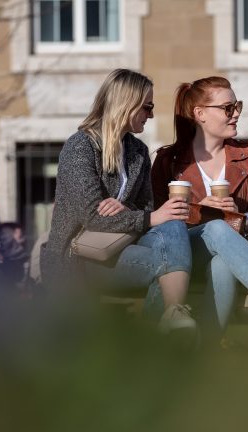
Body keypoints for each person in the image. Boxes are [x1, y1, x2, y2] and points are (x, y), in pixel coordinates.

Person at [150, 76, 248, 344]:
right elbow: (159, 223)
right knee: (214, 226)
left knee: (222, 263)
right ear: (200, 114)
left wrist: (240, 219)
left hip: (232, 255)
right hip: (182, 255)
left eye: (237, 106)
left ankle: (204, 348)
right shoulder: (169, 160)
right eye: (227, 108)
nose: (235, 114)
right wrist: (199, 211)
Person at [40, 68, 195, 333]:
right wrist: (150, 218)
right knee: (169, 267)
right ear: (126, 104)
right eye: (147, 107)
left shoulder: (138, 151)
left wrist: (127, 208)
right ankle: (162, 337)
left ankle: (166, 326)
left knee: (174, 226)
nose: (151, 115)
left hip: (122, 246)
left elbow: (145, 205)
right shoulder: (80, 147)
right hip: (79, 257)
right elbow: (92, 216)